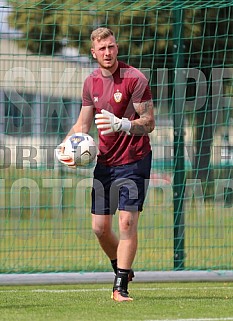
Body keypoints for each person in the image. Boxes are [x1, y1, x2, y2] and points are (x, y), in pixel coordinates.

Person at [56, 27, 155, 302]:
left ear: (117, 48)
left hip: (135, 160)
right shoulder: (90, 83)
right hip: (106, 162)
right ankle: (121, 266)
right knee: (100, 228)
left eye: (111, 47)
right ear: (94, 52)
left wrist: (122, 123)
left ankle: (120, 286)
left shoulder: (135, 78)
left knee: (126, 222)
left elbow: (149, 123)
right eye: (102, 49)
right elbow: (82, 124)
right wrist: (65, 147)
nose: (107, 52)